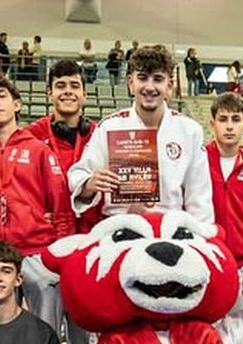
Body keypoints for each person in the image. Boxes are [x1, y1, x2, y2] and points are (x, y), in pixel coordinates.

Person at [26, 59, 100, 344]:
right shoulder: (32, 136)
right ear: (50, 93)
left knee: (85, 337)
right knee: (47, 336)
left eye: (74, 85)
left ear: (85, 94)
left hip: (89, 251)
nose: (68, 91)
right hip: (46, 252)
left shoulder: (102, 136)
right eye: (61, 86)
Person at [0, 73, 74, 327]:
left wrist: (61, 257)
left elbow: (61, 207)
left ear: (17, 104)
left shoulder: (38, 149)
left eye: (1, 96)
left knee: (45, 331)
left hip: (37, 254)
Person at [68, 45, 214, 223]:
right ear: (131, 83)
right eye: (142, 78)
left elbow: (199, 199)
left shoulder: (190, 130)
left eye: (158, 79)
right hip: (118, 228)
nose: (149, 87)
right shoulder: (109, 127)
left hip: (171, 231)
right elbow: (77, 174)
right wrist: (88, 183)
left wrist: (200, 240)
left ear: (169, 86)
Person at [207, 92, 243, 270]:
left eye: (235, 119)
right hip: (207, 256)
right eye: (223, 119)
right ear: (212, 124)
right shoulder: (198, 160)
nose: (229, 126)